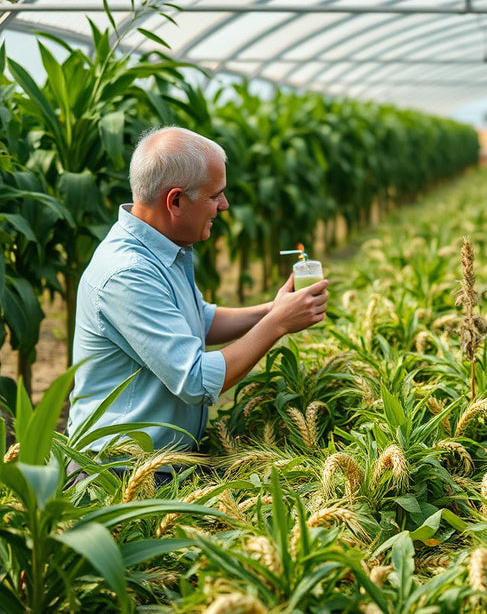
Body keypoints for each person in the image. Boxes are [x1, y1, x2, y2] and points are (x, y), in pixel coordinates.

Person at [68, 126, 329, 456]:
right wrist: (277, 324)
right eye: (214, 195)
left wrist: (273, 308)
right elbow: (195, 380)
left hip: (162, 462)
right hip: (121, 473)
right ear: (175, 201)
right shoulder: (128, 272)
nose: (224, 205)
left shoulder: (162, 248)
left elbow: (199, 320)